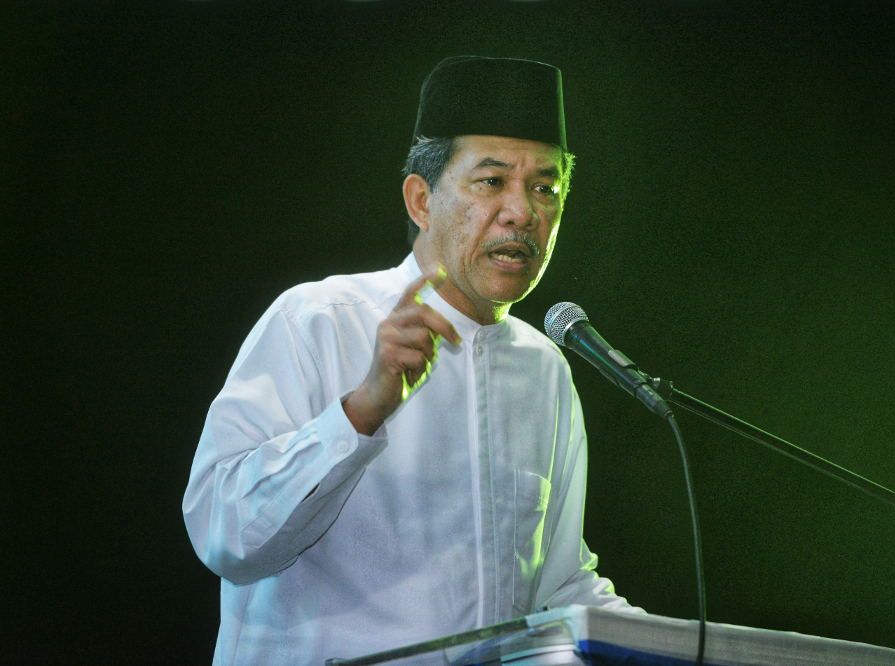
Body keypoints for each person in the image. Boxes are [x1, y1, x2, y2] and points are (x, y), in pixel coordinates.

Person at [183, 56, 640, 666]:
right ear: (421, 200)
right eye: (491, 181)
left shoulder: (544, 368)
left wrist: (695, 650)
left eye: (545, 188)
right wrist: (359, 412)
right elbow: (224, 536)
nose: (523, 213)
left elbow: (557, 591)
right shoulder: (318, 320)